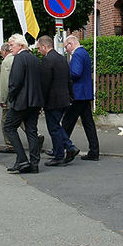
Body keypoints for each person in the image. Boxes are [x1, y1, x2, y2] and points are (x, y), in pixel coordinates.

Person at [3, 34, 43, 173]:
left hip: (21, 102)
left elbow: (15, 82)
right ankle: (34, 164)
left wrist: (11, 98)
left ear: (20, 45)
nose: (9, 47)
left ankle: (22, 159)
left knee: (9, 127)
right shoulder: (35, 59)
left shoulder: (19, 59)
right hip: (35, 101)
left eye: (12, 45)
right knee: (32, 131)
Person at [36, 35, 79, 166]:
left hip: (52, 100)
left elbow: (45, 84)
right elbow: (69, 79)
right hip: (64, 98)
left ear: (44, 46)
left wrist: (41, 102)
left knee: (54, 127)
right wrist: (71, 95)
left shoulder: (47, 60)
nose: (38, 51)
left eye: (39, 48)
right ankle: (59, 151)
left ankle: (66, 150)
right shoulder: (62, 58)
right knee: (56, 125)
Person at [62, 35, 99, 160]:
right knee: (88, 123)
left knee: (67, 122)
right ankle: (94, 151)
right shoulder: (84, 53)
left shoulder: (77, 54)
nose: (66, 49)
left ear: (71, 44)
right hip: (85, 93)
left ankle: (61, 149)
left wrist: (66, 73)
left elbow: (76, 73)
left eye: (66, 46)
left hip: (78, 94)